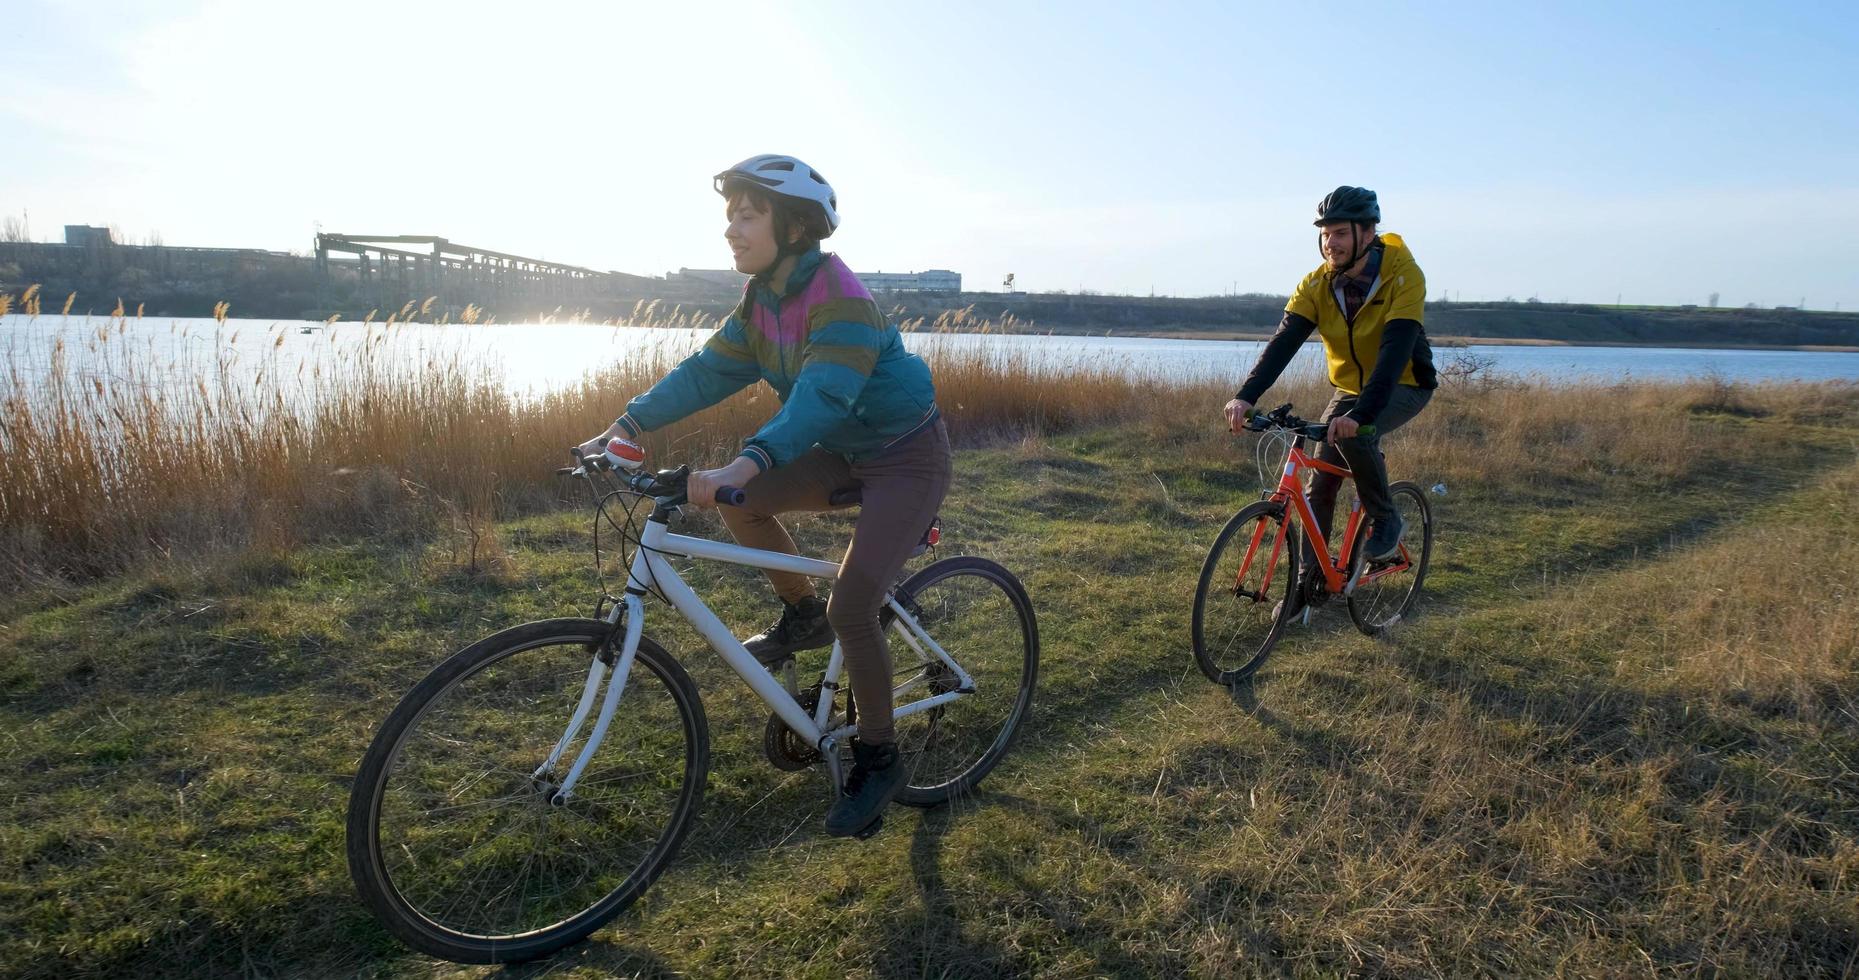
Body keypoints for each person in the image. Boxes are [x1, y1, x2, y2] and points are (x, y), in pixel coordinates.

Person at [577, 154, 948, 838]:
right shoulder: (763, 301)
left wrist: (744, 462)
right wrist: (626, 425)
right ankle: (800, 618)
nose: (732, 229)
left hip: (904, 459)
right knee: (741, 504)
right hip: (842, 449)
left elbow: (820, 397)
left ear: (796, 226)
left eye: (749, 215)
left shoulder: (841, 299)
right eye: (730, 215)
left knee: (856, 604)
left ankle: (879, 755)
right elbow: (708, 371)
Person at [1223, 186, 1437, 618]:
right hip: (1350, 388)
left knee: (1357, 437)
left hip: (1405, 383)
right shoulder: (1317, 283)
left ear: (1368, 233)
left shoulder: (1402, 275)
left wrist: (1362, 415)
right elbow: (1283, 343)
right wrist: (1246, 396)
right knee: (1319, 484)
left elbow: (1396, 350)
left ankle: (1386, 519)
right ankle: (1308, 584)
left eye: (1340, 232)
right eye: (1325, 233)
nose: (1330, 242)